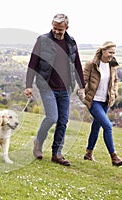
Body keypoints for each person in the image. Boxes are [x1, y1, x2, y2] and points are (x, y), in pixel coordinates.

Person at [24, 13, 85, 166]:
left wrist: (82, 86)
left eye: (60, 30)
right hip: (47, 86)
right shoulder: (43, 40)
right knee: (52, 117)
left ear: (67, 28)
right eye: (55, 28)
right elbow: (33, 63)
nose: (57, 32)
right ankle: (38, 143)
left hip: (65, 87)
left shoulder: (71, 43)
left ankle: (57, 153)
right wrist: (28, 85)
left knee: (63, 121)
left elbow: (77, 65)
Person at [79, 41, 122, 166]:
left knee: (96, 127)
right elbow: (82, 81)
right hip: (93, 101)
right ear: (103, 51)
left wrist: (114, 93)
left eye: (113, 53)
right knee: (108, 126)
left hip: (105, 102)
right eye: (110, 52)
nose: (112, 55)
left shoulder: (112, 65)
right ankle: (114, 157)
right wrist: (82, 95)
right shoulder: (92, 64)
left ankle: (88, 153)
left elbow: (115, 81)